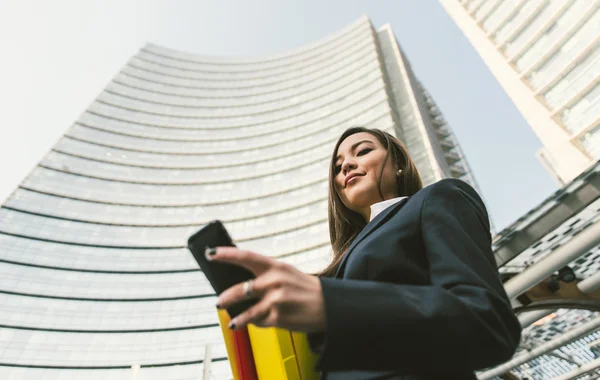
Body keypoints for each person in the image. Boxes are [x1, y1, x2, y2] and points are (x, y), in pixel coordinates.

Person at [206, 127, 521, 379]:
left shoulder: (437, 199)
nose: (345, 165)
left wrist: (332, 303)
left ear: (399, 164)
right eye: (338, 164)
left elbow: (487, 323)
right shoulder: (340, 265)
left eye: (363, 151)